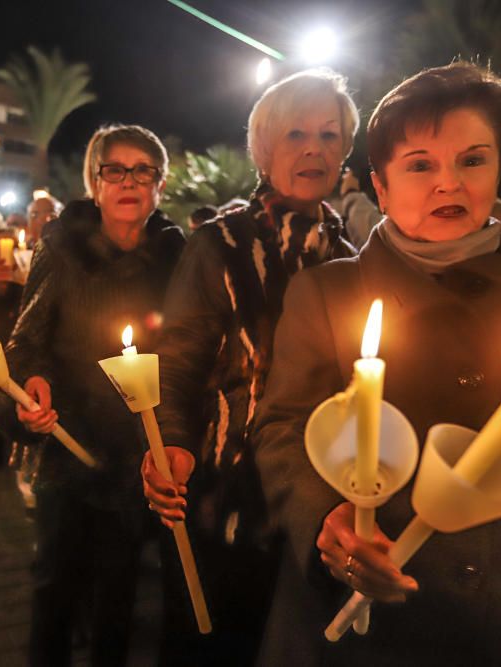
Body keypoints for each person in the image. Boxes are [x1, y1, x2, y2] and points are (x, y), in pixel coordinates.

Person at [250, 61, 501, 665]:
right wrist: (326, 518)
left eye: (473, 160)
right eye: (421, 165)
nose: (449, 184)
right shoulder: (325, 294)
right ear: (381, 186)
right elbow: (282, 430)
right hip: (364, 633)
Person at [141, 69, 358, 665]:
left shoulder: (350, 260)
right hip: (221, 505)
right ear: (264, 150)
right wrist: (175, 447)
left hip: (316, 507)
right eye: (296, 133)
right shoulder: (219, 246)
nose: (315, 147)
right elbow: (176, 365)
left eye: (330, 134)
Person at [0, 125, 185, 666]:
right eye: (114, 170)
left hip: (135, 457)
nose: (128, 181)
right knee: (55, 588)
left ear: (159, 186)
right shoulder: (63, 250)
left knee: (118, 596)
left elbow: (185, 355)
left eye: (143, 170)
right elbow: (25, 342)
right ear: (94, 184)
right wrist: (32, 384)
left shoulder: (176, 260)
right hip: (68, 446)